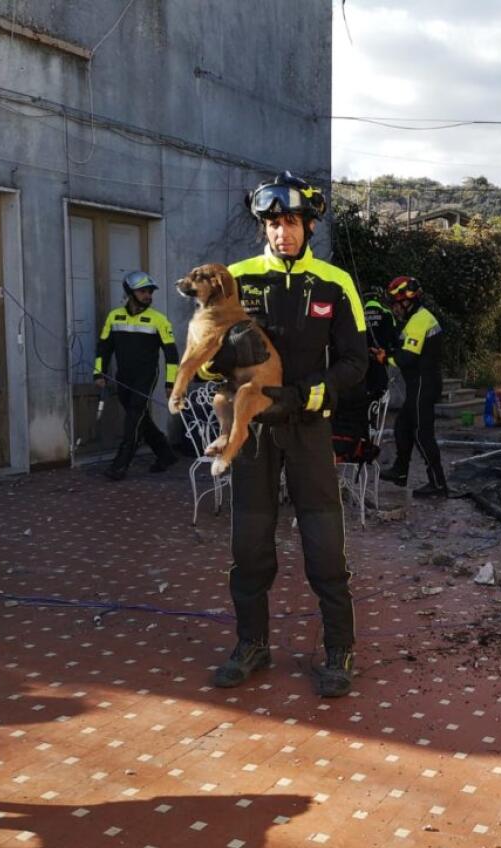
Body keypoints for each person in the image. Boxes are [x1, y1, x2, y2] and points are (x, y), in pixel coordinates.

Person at [211, 171, 367, 699]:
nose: (283, 232)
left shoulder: (334, 283)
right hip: (253, 432)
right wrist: (215, 365)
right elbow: (207, 351)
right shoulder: (235, 279)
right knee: (250, 548)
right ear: (264, 227)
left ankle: (339, 649)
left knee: (325, 549)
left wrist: (304, 395)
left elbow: (355, 362)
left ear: (310, 225)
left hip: (308, 429)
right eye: (274, 223)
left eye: (293, 222)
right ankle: (252, 644)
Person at [94, 271, 179, 481]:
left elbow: (172, 355)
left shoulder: (159, 320)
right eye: (143, 291)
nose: (148, 295)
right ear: (130, 293)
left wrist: (170, 383)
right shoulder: (114, 316)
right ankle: (165, 454)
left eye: (150, 292)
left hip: (146, 377)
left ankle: (120, 465)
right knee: (140, 418)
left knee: (133, 418)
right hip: (123, 377)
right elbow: (103, 348)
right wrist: (99, 373)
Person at [379, 275, 447, 498]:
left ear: (408, 301)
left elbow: (407, 357)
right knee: (402, 427)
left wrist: (384, 358)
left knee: (422, 434)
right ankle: (400, 472)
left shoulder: (419, 320)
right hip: (419, 384)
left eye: (396, 304)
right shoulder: (416, 319)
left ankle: (438, 484)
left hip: (423, 385)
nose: (394, 309)